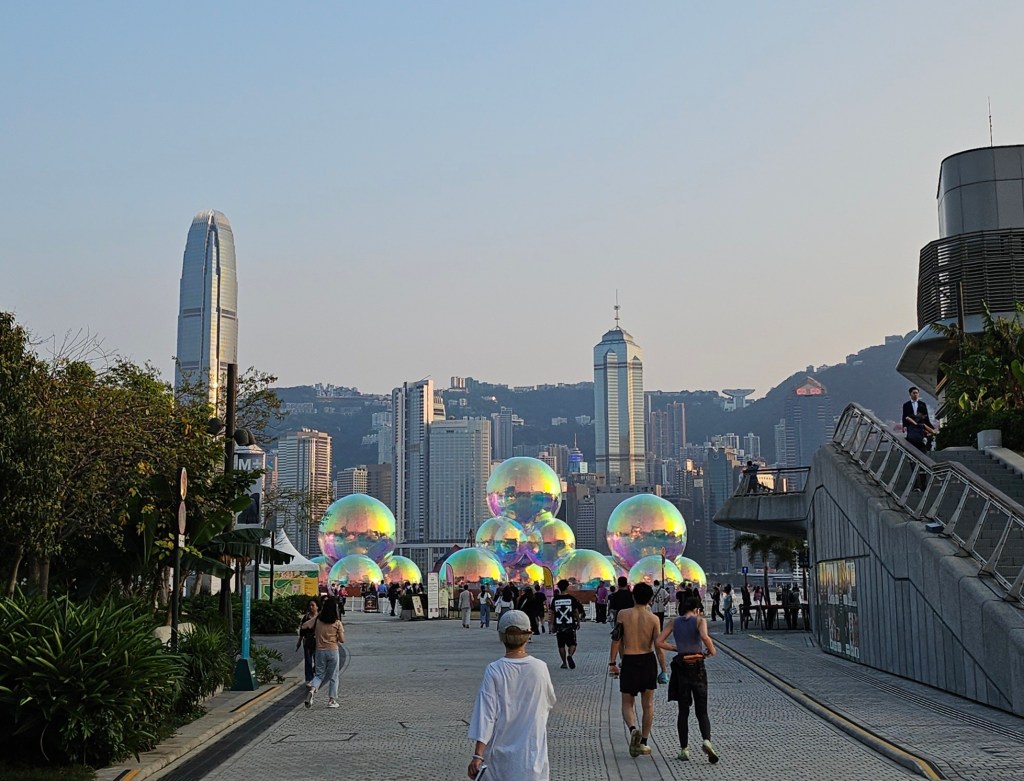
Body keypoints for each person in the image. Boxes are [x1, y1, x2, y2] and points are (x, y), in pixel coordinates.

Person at [467, 610, 556, 781]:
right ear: (529, 634)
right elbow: (549, 701)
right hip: (532, 755)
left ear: (501, 636)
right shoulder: (540, 668)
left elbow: (486, 715)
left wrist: (478, 755)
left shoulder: (494, 669)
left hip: (499, 758)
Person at [657, 596, 719, 764]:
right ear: (697, 609)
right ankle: (706, 740)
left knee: (683, 711)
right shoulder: (699, 620)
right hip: (698, 667)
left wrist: (675, 647)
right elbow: (705, 637)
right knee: (702, 710)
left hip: (681, 667)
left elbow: (659, 641)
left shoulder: (673, 622)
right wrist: (711, 651)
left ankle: (684, 749)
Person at [608, 582, 666, 758]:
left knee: (627, 702)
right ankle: (644, 742)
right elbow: (659, 647)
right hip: (648, 661)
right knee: (648, 705)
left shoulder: (623, 614)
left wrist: (612, 663)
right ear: (650, 599)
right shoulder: (654, 619)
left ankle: (633, 729)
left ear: (633, 596)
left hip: (629, 661)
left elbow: (616, 640)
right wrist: (664, 669)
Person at [302, 595, 345, 709]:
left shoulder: (318, 620)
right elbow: (342, 640)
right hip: (333, 651)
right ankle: (331, 700)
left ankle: (312, 691)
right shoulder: (337, 623)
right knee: (334, 676)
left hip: (320, 651)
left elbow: (305, 625)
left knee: (319, 675)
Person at [551, 579, 584, 669]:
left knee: (561, 645)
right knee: (572, 643)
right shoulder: (571, 598)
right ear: (567, 587)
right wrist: (578, 621)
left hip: (559, 625)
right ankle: (570, 655)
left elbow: (552, 613)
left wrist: (551, 625)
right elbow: (576, 611)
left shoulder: (555, 599)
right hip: (570, 624)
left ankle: (564, 663)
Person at [296, 598, 319, 683]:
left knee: (318, 660)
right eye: (310, 605)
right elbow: (302, 630)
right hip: (307, 641)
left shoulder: (320, 617)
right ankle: (309, 678)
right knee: (308, 660)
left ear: (317, 607)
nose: (311, 607)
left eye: (313, 605)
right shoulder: (306, 617)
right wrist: (299, 641)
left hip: (317, 641)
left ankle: (317, 676)